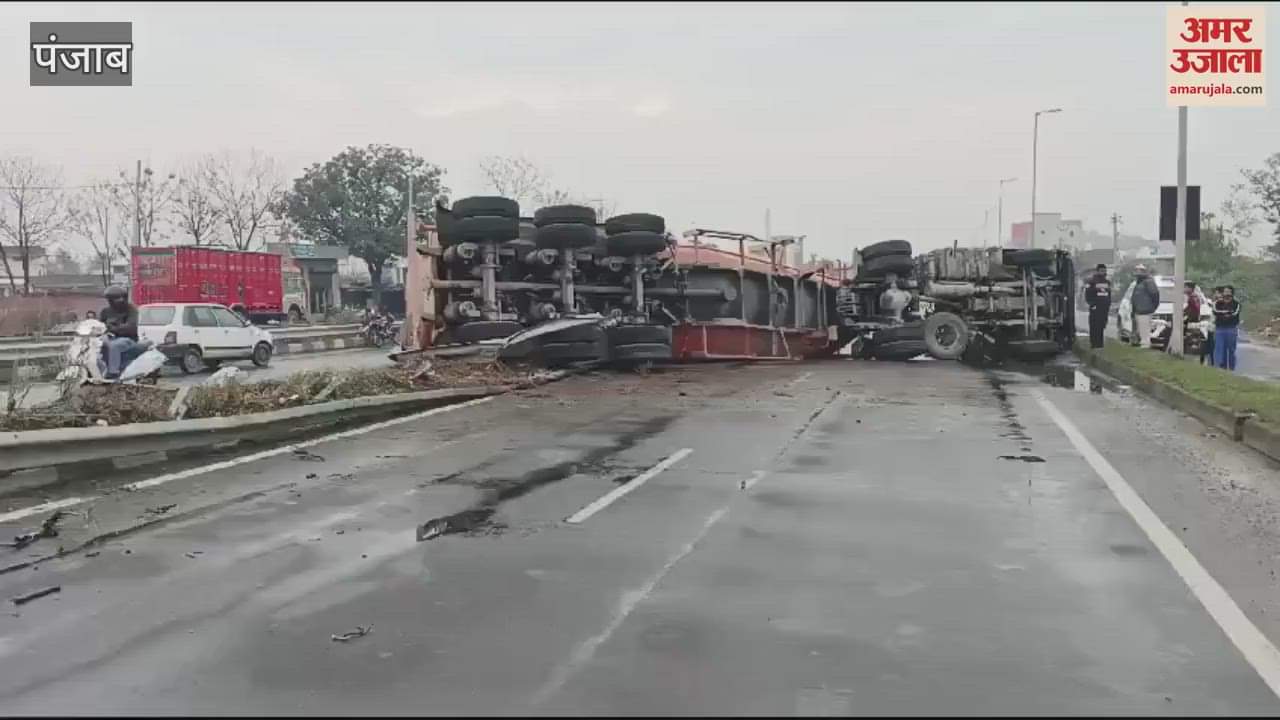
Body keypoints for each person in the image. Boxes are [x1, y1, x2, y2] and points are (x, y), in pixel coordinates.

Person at [99, 285, 142, 379]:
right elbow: (99, 326)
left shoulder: (131, 309)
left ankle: (113, 372)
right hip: (109, 337)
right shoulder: (105, 311)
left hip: (128, 339)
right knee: (96, 346)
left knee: (115, 346)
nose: (119, 300)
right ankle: (98, 370)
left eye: (120, 298)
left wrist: (113, 328)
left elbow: (131, 327)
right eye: (115, 299)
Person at [1212, 285, 1241, 371]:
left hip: (1231, 328)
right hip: (1220, 329)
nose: (1226, 293)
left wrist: (1224, 314)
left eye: (1228, 291)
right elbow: (1215, 312)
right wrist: (1227, 313)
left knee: (1231, 349)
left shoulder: (1236, 304)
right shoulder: (1217, 303)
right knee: (1220, 348)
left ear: (1232, 293)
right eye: (1225, 291)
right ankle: (1221, 368)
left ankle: (1231, 368)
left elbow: (1235, 314)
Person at [1130, 264, 1160, 348]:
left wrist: (1153, 307)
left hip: (1145, 310)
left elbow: (1155, 294)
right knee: (1141, 329)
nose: (1137, 274)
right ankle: (1143, 344)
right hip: (1139, 310)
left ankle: (1145, 345)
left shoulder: (1148, 282)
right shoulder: (1139, 283)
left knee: (1145, 329)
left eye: (1140, 271)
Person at [1084, 263, 1112, 349]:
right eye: (1101, 271)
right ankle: (1094, 344)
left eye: (1104, 271)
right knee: (1094, 326)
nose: (1103, 272)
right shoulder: (1091, 282)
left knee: (1101, 326)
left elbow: (1108, 294)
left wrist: (1108, 304)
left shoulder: (1107, 282)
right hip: (1095, 307)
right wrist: (1092, 304)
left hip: (1104, 308)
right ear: (1097, 271)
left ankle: (1100, 344)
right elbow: (1088, 295)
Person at [1201, 286, 1222, 366]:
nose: (1216, 296)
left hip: (1217, 329)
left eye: (1218, 294)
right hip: (1210, 328)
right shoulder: (1211, 304)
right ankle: (1207, 362)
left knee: (1213, 347)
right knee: (1208, 346)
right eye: (1216, 294)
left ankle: (1214, 363)